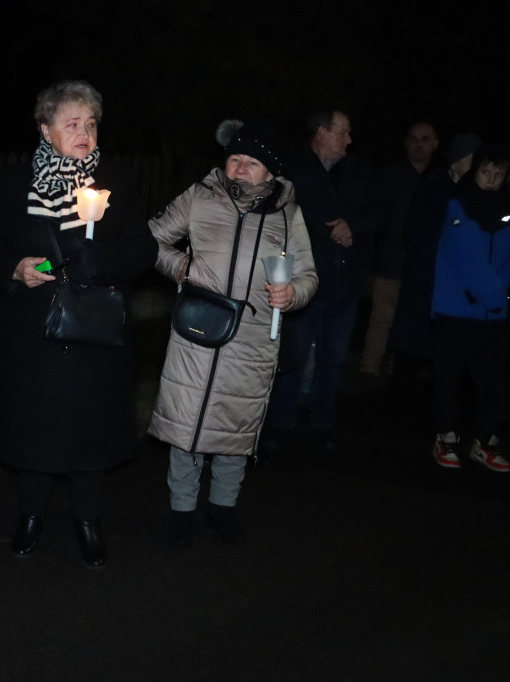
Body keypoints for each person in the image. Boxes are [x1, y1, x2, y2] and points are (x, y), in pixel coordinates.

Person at [0, 80, 156, 568]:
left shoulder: (113, 180)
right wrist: (15, 269)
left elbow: (145, 249)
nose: (84, 133)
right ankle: (29, 518)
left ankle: (88, 523)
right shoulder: (16, 183)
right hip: (33, 331)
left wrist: (105, 261)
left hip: (95, 330)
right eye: (72, 124)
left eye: (91, 124)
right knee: (37, 427)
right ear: (45, 129)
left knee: (91, 430)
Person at [148, 119, 317, 546]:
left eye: (252, 161)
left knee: (235, 428)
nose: (240, 168)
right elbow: (154, 240)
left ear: (271, 170)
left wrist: (292, 293)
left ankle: (223, 508)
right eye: (235, 159)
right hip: (196, 329)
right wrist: (180, 267)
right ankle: (181, 513)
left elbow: (308, 275)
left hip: (253, 336)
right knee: (187, 423)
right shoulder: (200, 197)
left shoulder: (289, 213)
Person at [266, 108, 377, 454]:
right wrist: (326, 231)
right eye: (342, 132)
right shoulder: (292, 170)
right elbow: (277, 215)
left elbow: (382, 210)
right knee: (293, 356)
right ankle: (281, 425)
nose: (349, 139)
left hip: (346, 285)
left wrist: (353, 226)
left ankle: (321, 426)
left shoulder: (359, 171)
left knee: (334, 359)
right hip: (305, 284)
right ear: (321, 133)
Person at [430, 145, 510, 472]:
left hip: (493, 315)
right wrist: (496, 297)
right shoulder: (458, 204)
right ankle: (446, 436)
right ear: (475, 171)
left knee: (491, 381)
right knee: (449, 378)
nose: (491, 180)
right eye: (486, 172)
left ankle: (485, 440)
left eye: (499, 174)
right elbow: (465, 257)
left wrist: (498, 296)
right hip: (455, 310)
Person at [387, 132, 482, 427]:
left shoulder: (476, 196)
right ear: (456, 162)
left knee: (449, 356)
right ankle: (397, 417)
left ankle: (440, 417)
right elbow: (418, 236)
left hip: (457, 292)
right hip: (426, 284)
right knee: (411, 353)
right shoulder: (433, 191)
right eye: (471, 161)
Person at [360, 121, 443, 379]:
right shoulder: (389, 175)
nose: (419, 144)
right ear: (406, 142)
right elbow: (380, 215)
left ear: (435, 143)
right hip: (393, 260)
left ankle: (408, 372)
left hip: (427, 265)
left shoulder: (440, 177)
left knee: (418, 320)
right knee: (382, 319)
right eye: (414, 138)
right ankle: (370, 371)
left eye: (425, 139)